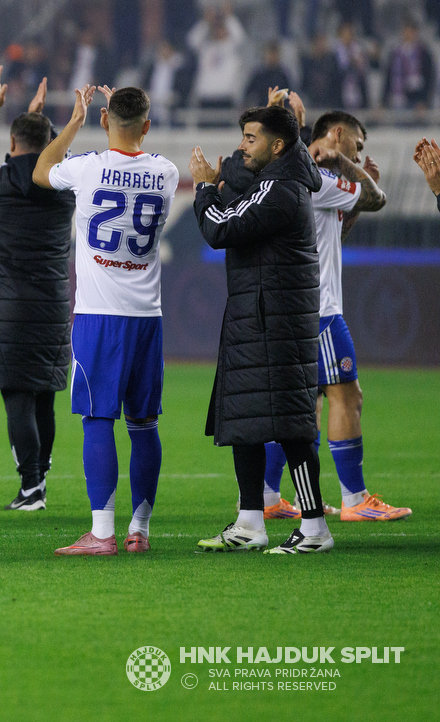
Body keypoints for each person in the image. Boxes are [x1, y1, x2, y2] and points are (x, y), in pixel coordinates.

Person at [34, 86, 178, 556]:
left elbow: (40, 171)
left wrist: (73, 121)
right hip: (147, 316)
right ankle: (140, 527)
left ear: (103, 120)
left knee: (97, 418)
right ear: (149, 126)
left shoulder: (87, 167)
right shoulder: (166, 172)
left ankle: (101, 533)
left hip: (99, 315)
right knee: (143, 422)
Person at [189, 104, 331, 554]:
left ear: (278, 145)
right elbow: (242, 204)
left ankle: (315, 529)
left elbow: (221, 229)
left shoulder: (283, 189)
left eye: (251, 138)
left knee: (291, 427)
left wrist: (203, 188)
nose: (242, 145)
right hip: (257, 317)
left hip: (278, 323)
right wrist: (221, 183)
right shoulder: (275, 182)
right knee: (243, 420)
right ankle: (250, 522)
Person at [261, 111, 408, 523]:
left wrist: (355, 182)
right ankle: (354, 499)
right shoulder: (317, 175)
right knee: (347, 396)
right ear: (337, 134)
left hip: (291, 309)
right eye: (357, 146)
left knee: (300, 406)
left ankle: (268, 497)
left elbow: (330, 236)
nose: (359, 154)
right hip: (320, 311)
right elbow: (377, 198)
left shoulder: (295, 179)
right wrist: (350, 169)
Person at [0, 70, 74, 511]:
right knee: (43, 395)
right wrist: (46, 128)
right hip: (55, 305)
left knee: (18, 398)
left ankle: (31, 488)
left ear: (11, 145)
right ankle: (38, 482)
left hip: (8, 309)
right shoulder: (64, 186)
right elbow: (56, 156)